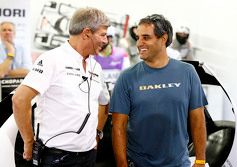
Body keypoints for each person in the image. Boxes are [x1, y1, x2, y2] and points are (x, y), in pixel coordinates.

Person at [12, 7, 110, 167]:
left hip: (89, 154)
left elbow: (104, 103)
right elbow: (20, 100)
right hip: (56, 157)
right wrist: (28, 141)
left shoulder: (96, 66)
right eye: (103, 34)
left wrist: (97, 134)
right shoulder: (52, 59)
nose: (106, 41)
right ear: (86, 33)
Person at [110, 14, 208, 167]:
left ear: (163, 38)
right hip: (138, 162)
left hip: (178, 163)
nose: (139, 43)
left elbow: (198, 119)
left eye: (146, 37)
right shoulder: (127, 77)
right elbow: (118, 127)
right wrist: (122, 165)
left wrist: (200, 160)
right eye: (138, 37)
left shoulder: (187, 72)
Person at [94, 26, 130, 94]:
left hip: (116, 95)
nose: (102, 40)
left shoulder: (121, 54)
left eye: (106, 37)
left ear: (110, 38)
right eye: (100, 37)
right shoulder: (92, 55)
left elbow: (127, 80)